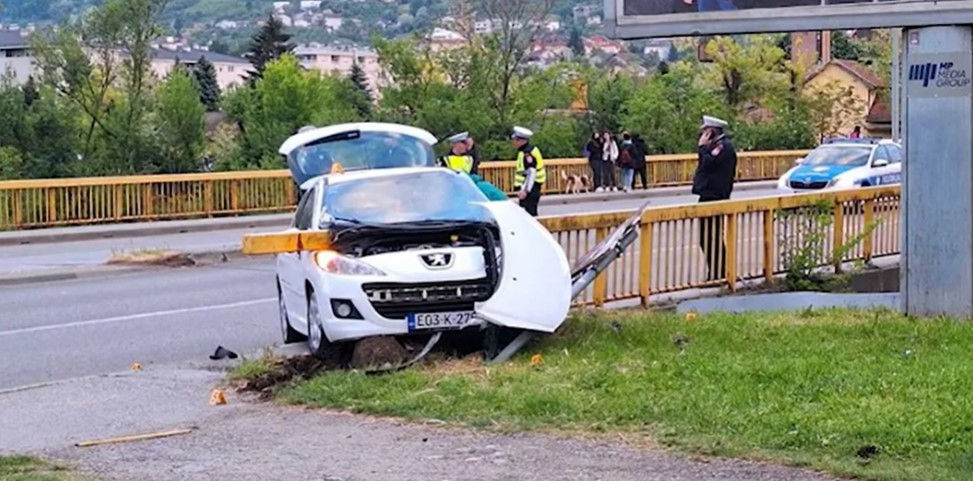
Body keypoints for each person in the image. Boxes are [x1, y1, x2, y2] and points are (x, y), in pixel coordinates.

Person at [692, 115, 737, 282]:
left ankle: (720, 272)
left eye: (705, 131)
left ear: (711, 132)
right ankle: (716, 271)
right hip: (708, 195)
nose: (702, 134)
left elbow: (709, 163)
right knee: (706, 238)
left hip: (715, 196)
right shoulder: (716, 146)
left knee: (712, 237)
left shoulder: (723, 147)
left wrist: (702, 148)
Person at [511, 126, 546, 216]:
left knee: (530, 214)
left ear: (522, 141)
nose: (514, 142)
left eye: (516, 140)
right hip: (530, 186)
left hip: (531, 187)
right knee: (526, 213)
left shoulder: (527, 153)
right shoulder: (525, 151)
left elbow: (531, 173)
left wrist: (525, 191)